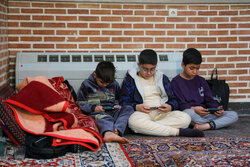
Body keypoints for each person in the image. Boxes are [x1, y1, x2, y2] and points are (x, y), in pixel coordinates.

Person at [119, 49, 204, 137]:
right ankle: (178, 132)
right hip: (142, 114)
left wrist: (170, 107)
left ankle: (148, 128)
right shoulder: (130, 79)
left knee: (185, 118)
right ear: (138, 65)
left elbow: (174, 100)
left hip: (162, 114)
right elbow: (123, 101)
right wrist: (136, 107)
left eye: (152, 69)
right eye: (145, 69)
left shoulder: (162, 78)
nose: (149, 73)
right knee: (134, 121)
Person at [171, 48, 238, 131]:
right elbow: (180, 105)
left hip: (206, 114)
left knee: (233, 115)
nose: (195, 72)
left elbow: (209, 100)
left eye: (197, 68)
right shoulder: (175, 82)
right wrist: (194, 109)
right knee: (187, 113)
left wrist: (216, 108)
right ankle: (213, 124)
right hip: (192, 114)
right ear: (183, 65)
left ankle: (204, 126)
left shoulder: (201, 80)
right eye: (191, 68)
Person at [77, 61, 134, 143]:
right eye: (101, 82)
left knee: (128, 108)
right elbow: (80, 102)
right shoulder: (87, 84)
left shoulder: (114, 84)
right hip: (97, 113)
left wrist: (116, 105)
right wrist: (93, 108)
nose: (104, 85)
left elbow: (118, 99)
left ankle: (116, 130)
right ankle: (108, 133)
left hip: (112, 111)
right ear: (95, 75)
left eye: (107, 83)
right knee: (105, 118)